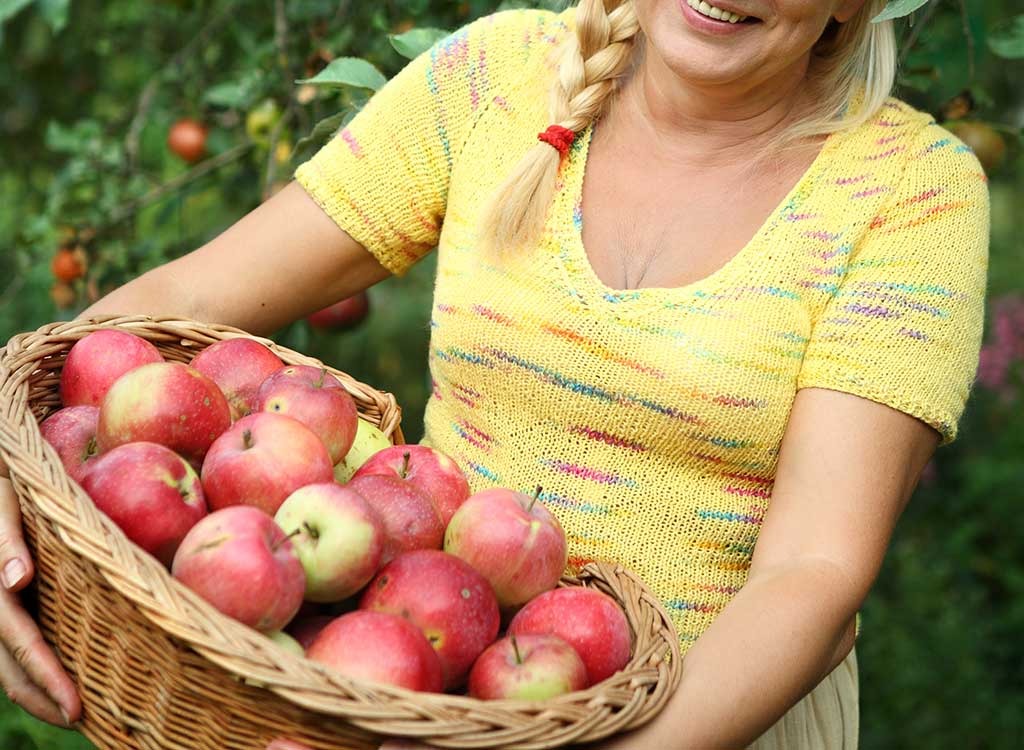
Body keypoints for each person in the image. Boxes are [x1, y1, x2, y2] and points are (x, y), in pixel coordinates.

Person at [0, 0, 990, 747]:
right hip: (427, 688)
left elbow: (813, 575)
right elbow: (177, 305)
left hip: (707, 720)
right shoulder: (496, 76)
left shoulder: (909, 192)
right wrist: (9, 472)